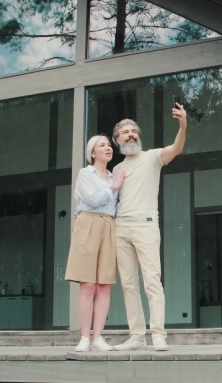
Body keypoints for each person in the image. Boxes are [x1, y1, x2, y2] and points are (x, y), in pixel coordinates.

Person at [110, 102, 187, 352]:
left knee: (152, 281)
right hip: (121, 228)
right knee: (128, 284)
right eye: (126, 132)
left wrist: (183, 125)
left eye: (134, 131)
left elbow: (176, 148)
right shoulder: (117, 168)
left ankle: (158, 334)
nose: (132, 134)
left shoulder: (153, 156)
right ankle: (137, 335)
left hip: (145, 226)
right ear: (117, 139)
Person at [64, 135, 125, 352]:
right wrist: (114, 188)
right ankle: (84, 337)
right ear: (92, 153)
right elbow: (93, 199)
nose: (108, 148)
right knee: (88, 285)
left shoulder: (112, 175)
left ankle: (98, 336)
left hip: (109, 225)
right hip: (88, 223)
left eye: (109, 145)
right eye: (102, 145)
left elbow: (112, 206)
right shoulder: (85, 173)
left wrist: (113, 185)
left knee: (104, 285)